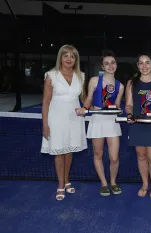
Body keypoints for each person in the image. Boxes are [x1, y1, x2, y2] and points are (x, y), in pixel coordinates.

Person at [41, 44, 87, 201]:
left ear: (76, 59)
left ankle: (67, 180)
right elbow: (46, 102)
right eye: (65, 55)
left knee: (69, 151)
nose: (69, 59)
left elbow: (85, 98)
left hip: (75, 118)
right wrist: (45, 124)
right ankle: (61, 184)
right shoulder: (51, 75)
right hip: (56, 117)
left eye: (72, 56)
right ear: (60, 57)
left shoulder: (81, 75)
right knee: (59, 152)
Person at [76, 50, 124, 196]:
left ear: (116, 65)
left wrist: (119, 109)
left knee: (114, 157)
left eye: (113, 63)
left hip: (111, 122)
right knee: (98, 153)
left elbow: (116, 104)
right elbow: (89, 98)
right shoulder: (94, 81)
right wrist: (84, 108)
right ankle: (104, 183)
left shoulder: (120, 86)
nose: (110, 66)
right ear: (102, 66)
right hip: (97, 119)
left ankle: (113, 182)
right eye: (107, 63)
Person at [125, 53, 151, 199]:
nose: (144, 66)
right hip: (138, 124)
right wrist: (129, 114)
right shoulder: (131, 83)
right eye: (141, 63)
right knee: (141, 156)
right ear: (137, 66)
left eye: (147, 62)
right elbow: (129, 104)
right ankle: (145, 184)